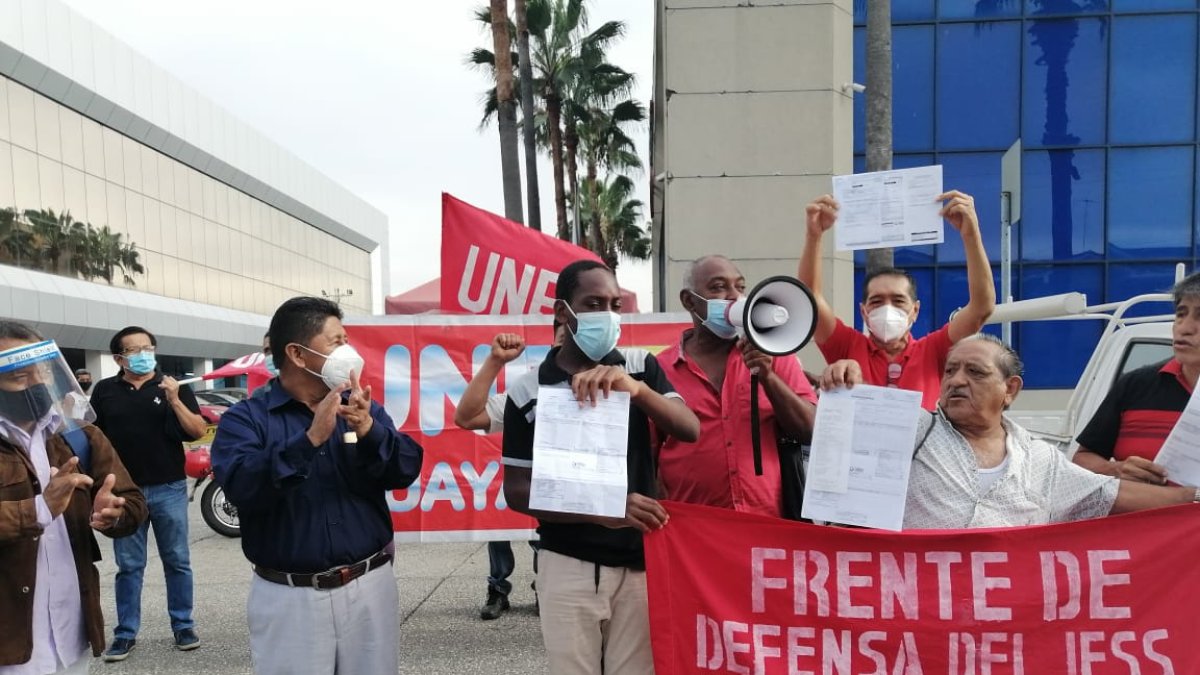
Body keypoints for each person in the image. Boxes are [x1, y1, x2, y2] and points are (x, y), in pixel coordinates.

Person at [502, 260, 700, 675]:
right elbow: (518, 489)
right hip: (567, 561)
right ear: (562, 312)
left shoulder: (639, 366)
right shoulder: (528, 388)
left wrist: (637, 390)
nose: (607, 315)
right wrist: (604, 508)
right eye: (593, 304)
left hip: (640, 561)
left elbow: (689, 429)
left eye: (614, 303)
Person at [211, 296, 424, 675]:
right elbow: (243, 486)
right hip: (290, 597)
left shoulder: (360, 407)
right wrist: (308, 441)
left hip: (369, 586)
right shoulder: (245, 420)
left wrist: (371, 431)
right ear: (298, 353)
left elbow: (405, 469)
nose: (348, 351)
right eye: (336, 341)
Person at [823, 335, 1198, 530]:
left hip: (1002, 629)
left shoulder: (1039, 458)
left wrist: (1190, 498)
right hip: (915, 619)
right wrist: (842, 384)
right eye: (951, 370)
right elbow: (817, 427)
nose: (956, 381)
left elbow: (1108, 494)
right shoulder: (911, 429)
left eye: (975, 372)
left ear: (1011, 390)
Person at [0, 322, 147, 675]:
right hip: (10, 641)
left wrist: (117, 514)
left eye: (43, 371)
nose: (37, 383)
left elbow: (131, 499)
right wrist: (39, 509)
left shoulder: (79, 434)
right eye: (21, 376)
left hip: (71, 634)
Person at [798, 191, 995, 410]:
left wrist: (971, 234)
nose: (887, 308)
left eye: (898, 300)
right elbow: (808, 299)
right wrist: (813, 236)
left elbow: (981, 308)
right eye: (876, 301)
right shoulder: (847, 346)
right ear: (863, 312)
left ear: (915, 310)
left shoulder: (935, 350)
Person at [657, 255, 817, 517]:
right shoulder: (662, 368)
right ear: (689, 300)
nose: (734, 296)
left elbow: (810, 430)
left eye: (740, 287)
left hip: (767, 524)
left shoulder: (775, 356)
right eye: (718, 287)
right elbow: (647, 452)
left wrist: (768, 376)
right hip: (693, 527)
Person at [89, 326, 207, 662]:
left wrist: (173, 399)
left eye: (148, 347)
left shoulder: (172, 386)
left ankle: (183, 625)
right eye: (135, 350)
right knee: (129, 565)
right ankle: (125, 633)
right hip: (125, 492)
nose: (143, 354)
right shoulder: (106, 390)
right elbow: (95, 438)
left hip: (168, 485)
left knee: (178, 561)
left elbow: (197, 431)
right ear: (119, 358)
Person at [1072, 272, 1200, 485]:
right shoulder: (1135, 385)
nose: (1184, 328)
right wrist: (1115, 470)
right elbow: (1080, 460)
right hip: (1140, 517)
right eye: (1181, 314)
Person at [453, 331, 529, 620]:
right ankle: (498, 588)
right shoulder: (527, 391)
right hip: (511, 476)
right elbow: (467, 417)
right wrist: (496, 361)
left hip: (554, 492)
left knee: (543, 536)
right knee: (498, 529)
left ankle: (543, 587)